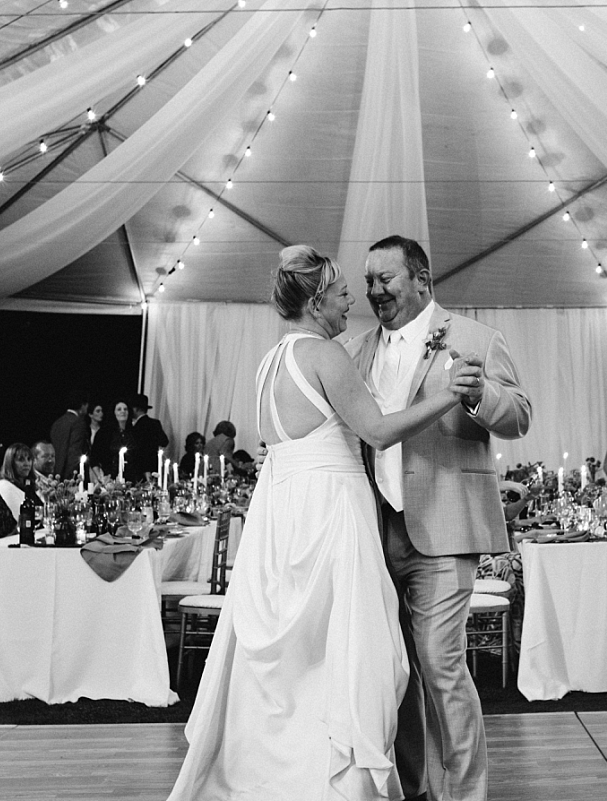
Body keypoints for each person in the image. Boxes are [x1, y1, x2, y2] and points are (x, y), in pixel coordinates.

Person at [166, 244, 475, 800]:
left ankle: (274, 777)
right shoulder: (325, 355)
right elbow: (378, 431)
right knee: (349, 653)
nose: (351, 301)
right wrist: (448, 396)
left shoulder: (268, 362)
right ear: (315, 301)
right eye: (340, 293)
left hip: (282, 519)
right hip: (331, 515)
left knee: (292, 663)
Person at [349, 234, 531, 801]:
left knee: (439, 659)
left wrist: (479, 398)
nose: (375, 290)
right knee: (396, 669)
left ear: (422, 280)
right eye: (369, 280)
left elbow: (520, 415)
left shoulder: (475, 337)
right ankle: (416, 789)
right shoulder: (357, 350)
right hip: (374, 532)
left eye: (387, 279)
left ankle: (467, 793)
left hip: (445, 525)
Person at [126, 393, 167, 482]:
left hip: (138, 467)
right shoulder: (155, 423)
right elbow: (164, 441)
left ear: (135, 409)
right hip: (153, 465)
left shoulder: (135, 427)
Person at [0, 443, 43, 515]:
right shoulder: (4, 486)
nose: (27, 463)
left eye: (29, 459)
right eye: (21, 459)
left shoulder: (29, 486)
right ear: (11, 463)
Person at [49, 390, 89, 479]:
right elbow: (74, 452)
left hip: (56, 472)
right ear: (82, 405)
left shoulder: (57, 422)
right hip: (70, 475)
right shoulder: (78, 423)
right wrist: (72, 477)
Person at [91, 400, 132, 478]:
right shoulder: (104, 433)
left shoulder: (134, 432)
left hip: (132, 479)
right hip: (110, 478)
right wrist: (101, 478)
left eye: (125, 409)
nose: (123, 411)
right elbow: (94, 458)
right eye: (119, 409)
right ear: (113, 412)